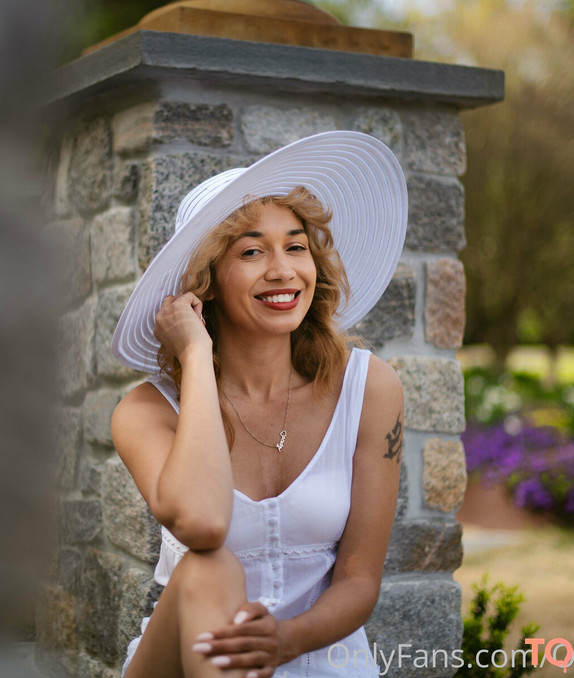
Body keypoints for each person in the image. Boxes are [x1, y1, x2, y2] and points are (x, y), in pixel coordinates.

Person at [110, 131, 408, 677]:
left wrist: (285, 641)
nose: (282, 270)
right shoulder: (146, 412)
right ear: (206, 282)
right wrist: (195, 357)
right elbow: (203, 524)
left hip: (319, 659)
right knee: (209, 566)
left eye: (296, 247)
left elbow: (360, 579)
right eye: (251, 252)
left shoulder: (369, 389)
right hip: (190, 659)